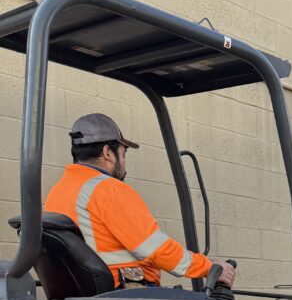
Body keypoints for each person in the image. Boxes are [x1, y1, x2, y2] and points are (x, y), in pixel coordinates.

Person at [45, 114, 236, 290]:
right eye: (123, 154)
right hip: (121, 295)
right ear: (107, 152)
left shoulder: (57, 192)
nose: (124, 162)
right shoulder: (109, 189)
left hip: (81, 295)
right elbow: (157, 249)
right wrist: (208, 267)